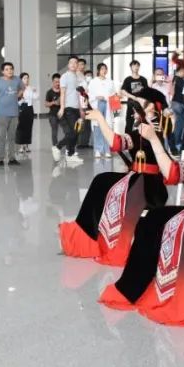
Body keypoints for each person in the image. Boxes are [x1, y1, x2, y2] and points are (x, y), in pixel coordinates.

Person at [99, 105, 184, 326]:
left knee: (152, 224)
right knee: (152, 220)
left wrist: (154, 140)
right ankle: (138, 286)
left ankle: (135, 289)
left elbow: (173, 174)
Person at [58, 88, 169, 265]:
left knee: (101, 183)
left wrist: (100, 119)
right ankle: (90, 236)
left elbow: (117, 143)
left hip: (147, 187)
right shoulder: (152, 126)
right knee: (101, 181)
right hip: (144, 182)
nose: (134, 109)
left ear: (151, 108)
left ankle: (87, 239)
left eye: (139, 104)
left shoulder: (149, 129)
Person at [0, 62, 23, 167]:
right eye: (7, 69)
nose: (10, 71)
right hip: (1, 114)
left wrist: (17, 95)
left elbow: (23, 88)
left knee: (12, 137)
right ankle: (0, 159)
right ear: (2, 71)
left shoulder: (17, 80)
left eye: (11, 69)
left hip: (14, 113)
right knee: (1, 137)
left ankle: (12, 158)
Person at [55, 57, 84, 165]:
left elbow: (79, 95)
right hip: (68, 108)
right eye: (71, 62)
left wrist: (81, 109)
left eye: (75, 62)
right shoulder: (65, 76)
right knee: (72, 132)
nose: (73, 64)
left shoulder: (77, 77)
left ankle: (70, 154)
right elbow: (62, 93)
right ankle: (58, 147)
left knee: (76, 133)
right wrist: (62, 108)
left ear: (77, 65)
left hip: (76, 109)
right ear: (68, 65)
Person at [87, 63, 115, 159]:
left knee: (107, 127)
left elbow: (113, 94)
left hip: (107, 105)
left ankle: (107, 150)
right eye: (102, 69)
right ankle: (98, 150)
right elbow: (89, 94)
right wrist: (96, 97)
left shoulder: (110, 82)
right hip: (97, 104)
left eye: (105, 69)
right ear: (98, 70)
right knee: (98, 127)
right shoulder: (93, 81)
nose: (104, 70)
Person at [168, 60, 184, 153]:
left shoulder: (175, 79)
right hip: (179, 104)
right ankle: (176, 144)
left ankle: (175, 144)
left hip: (175, 104)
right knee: (179, 126)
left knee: (177, 125)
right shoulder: (179, 80)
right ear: (181, 70)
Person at [120, 60, 148, 132]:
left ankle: (141, 138)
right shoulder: (128, 79)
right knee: (129, 123)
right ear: (131, 67)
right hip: (131, 104)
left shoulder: (143, 79)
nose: (136, 67)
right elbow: (122, 90)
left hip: (141, 104)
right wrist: (133, 97)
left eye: (137, 66)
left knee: (142, 123)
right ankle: (128, 137)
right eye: (134, 66)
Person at [16, 72, 38, 155]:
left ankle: (27, 145)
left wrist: (34, 91)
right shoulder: (18, 89)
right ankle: (21, 146)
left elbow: (36, 97)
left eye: (27, 78)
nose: (27, 79)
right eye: (25, 78)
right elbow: (15, 101)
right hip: (21, 108)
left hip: (29, 108)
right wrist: (21, 100)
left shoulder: (30, 88)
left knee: (29, 127)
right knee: (21, 127)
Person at [44, 73, 61, 147]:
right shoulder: (49, 92)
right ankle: (55, 145)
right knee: (54, 130)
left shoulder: (63, 91)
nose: (57, 84)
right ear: (53, 82)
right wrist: (53, 102)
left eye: (59, 82)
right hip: (53, 115)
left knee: (67, 130)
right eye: (56, 82)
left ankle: (67, 146)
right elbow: (46, 104)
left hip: (63, 114)